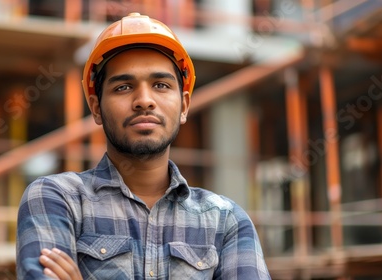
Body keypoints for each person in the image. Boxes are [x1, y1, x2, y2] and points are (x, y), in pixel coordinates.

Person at [16, 12, 271, 279]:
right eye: (124, 87)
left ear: (184, 106)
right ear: (96, 107)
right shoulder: (57, 199)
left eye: (160, 85)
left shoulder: (226, 221)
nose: (144, 100)